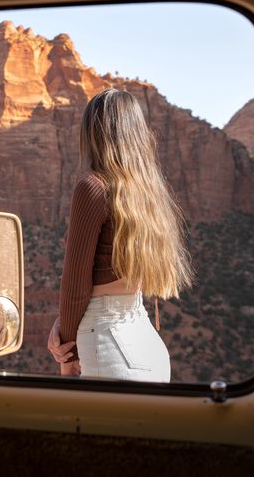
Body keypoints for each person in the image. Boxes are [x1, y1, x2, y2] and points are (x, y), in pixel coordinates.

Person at [47, 88, 195, 381]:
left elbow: (76, 283)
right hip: (148, 347)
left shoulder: (92, 188)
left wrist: (68, 353)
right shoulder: (148, 195)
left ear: (92, 134)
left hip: (107, 347)